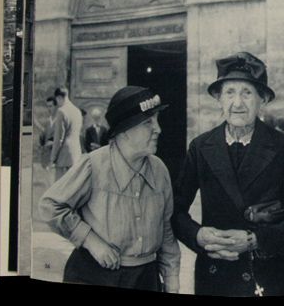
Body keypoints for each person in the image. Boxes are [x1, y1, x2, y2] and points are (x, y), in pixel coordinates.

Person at [172, 51, 284, 296]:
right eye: (229, 92)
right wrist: (198, 235)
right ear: (218, 99)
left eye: (247, 93)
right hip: (217, 274)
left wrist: (255, 240)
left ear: (263, 100)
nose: (237, 103)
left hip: (272, 275)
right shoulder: (200, 147)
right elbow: (175, 209)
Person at [38, 86, 181, 292]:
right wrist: (90, 240)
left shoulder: (159, 170)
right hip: (94, 275)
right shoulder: (93, 165)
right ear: (124, 130)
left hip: (146, 279)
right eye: (148, 122)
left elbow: (165, 228)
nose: (158, 129)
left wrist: (171, 277)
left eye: (156, 120)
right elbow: (50, 205)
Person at [50, 87, 84, 181]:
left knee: (61, 189)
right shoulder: (77, 111)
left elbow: (58, 139)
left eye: (57, 100)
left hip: (63, 157)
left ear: (59, 98)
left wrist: (53, 158)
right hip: (76, 154)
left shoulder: (61, 111)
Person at [38, 96, 58, 169]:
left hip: (57, 158)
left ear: (56, 107)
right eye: (48, 107)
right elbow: (42, 140)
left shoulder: (60, 121)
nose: (49, 109)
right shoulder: (47, 122)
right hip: (46, 157)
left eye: (51, 106)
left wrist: (53, 142)